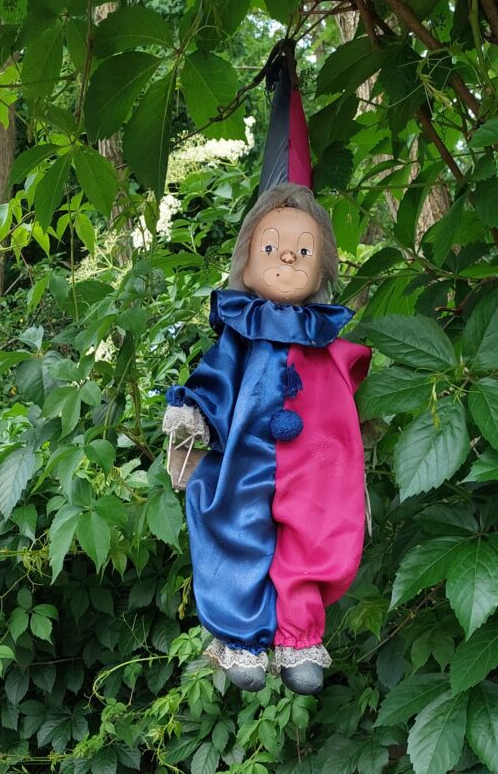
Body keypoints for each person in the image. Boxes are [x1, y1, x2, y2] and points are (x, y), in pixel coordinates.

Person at [163, 182, 371, 694]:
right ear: (247, 262)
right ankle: (243, 641)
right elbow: (217, 377)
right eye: (272, 247)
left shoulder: (325, 338)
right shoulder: (242, 331)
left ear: (322, 268)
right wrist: (194, 414)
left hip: (316, 463)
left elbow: (344, 389)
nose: (287, 259)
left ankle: (299, 640)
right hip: (246, 457)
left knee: (314, 537)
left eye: (303, 251)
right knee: (238, 528)